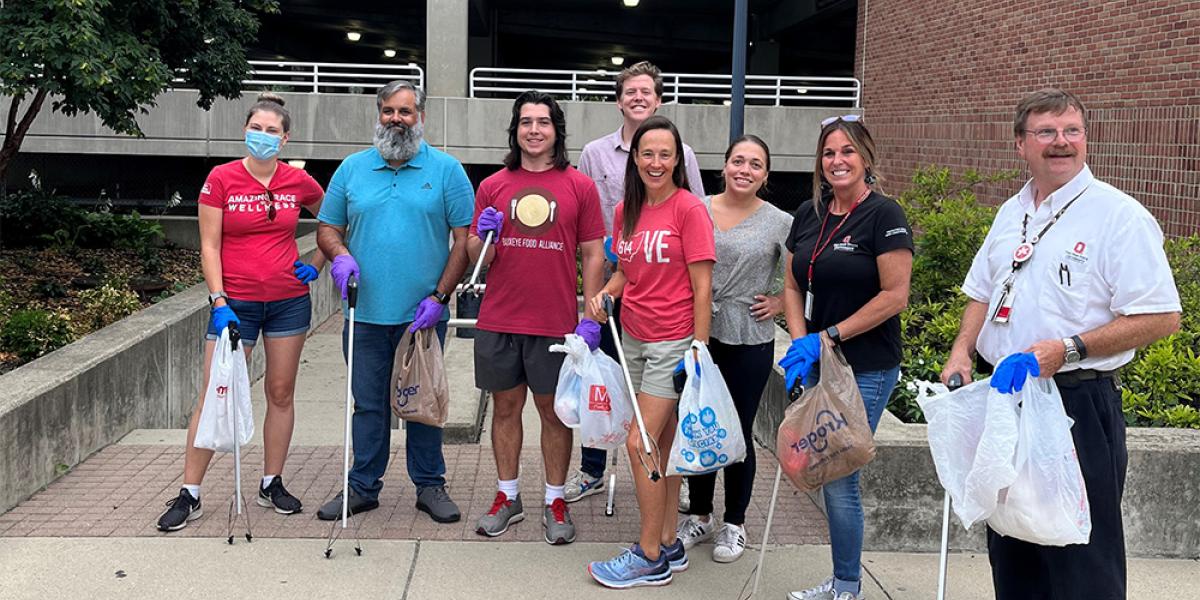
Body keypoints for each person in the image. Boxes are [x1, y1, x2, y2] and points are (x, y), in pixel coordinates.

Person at [939, 88, 1180, 600]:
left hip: (1077, 404)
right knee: (1013, 549)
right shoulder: (1012, 211)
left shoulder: (1118, 216)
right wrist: (962, 351)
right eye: (1046, 132)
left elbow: (1161, 316)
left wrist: (1065, 349)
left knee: (1081, 562)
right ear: (1020, 144)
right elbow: (981, 291)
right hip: (1009, 402)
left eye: (1072, 131)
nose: (1061, 142)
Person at [157, 93, 326, 531]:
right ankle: (189, 492)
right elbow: (209, 245)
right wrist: (218, 301)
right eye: (257, 128)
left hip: (289, 301)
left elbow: (332, 220)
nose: (263, 137)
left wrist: (320, 263)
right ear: (245, 131)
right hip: (236, 306)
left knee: (281, 392)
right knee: (216, 393)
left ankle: (272, 482)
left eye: (272, 131)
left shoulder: (298, 182)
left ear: (285, 138)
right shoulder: (222, 179)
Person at [315, 80, 474, 524]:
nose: (397, 120)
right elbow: (328, 227)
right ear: (379, 114)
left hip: (421, 317)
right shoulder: (352, 169)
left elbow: (464, 239)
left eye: (406, 112)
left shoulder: (446, 170)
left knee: (423, 405)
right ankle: (362, 486)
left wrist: (440, 297)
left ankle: (429, 486)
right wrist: (340, 256)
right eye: (389, 111)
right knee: (368, 404)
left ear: (420, 117)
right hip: (363, 315)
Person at [781, 115, 913, 600]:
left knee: (839, 474)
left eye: (847, 152)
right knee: (824, 471)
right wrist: (802, 342)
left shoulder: (884, 215)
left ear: (866, 158)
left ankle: (846, 586)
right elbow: (793, 282)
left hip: (867, 365)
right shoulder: (808, 213)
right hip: (818, 360)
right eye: (829, 153)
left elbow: (895, 296)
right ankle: (843, 582)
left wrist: (828, 337)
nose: (837, 161)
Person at [468, 91, 606, 545]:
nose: (533, 130)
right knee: (505, 408)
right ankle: (508, 496)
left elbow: (591, 252)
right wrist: (481, 237)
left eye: (542, 122)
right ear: (516, 129)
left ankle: (554, 498)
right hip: (500, 316)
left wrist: (592, 311)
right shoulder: (493, 186)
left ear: (555, 131)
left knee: (554, 414)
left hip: (554, 322)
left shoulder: (579, 187)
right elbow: (475, 255)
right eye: (525, 122)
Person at [568, 60, 706, 507]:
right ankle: (592, 471)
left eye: (647, 91)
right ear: (619, 99)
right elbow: (589, 222)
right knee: (607, 390)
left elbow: (698, 221)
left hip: (671, 306)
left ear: (658, 98)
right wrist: (599, 292)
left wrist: (698, 345)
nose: (639, 98)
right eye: (630, 91)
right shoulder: (595, 153)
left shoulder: (682, 160)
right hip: (624, 299)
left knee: (651, 423)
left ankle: (669, 491)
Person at [586, 115, 715, 588]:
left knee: (639, 442)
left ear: (678, 159)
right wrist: (606, 293)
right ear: (634, 159)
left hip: (674, 340)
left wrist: (698, 349)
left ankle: (647, 556)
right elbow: (627, 272)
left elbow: (704, 286)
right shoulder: (626, 212)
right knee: (659, 443)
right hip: (633, 337)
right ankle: (667, 541)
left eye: (665, 154)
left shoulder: (689, 209)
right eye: (647, 154)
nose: (656, 162)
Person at [674, 135, 791, 563]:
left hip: (749, 337)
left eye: (755, 164)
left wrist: (778, 300)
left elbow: (801, 278)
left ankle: (735, 522)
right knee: (702, 423)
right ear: (723, 167)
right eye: (738, 161)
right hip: (697, 332)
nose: (745, 169)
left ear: (765, 175)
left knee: (738, 429)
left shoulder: (780, 221)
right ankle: (700, 515)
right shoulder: (695, 208)